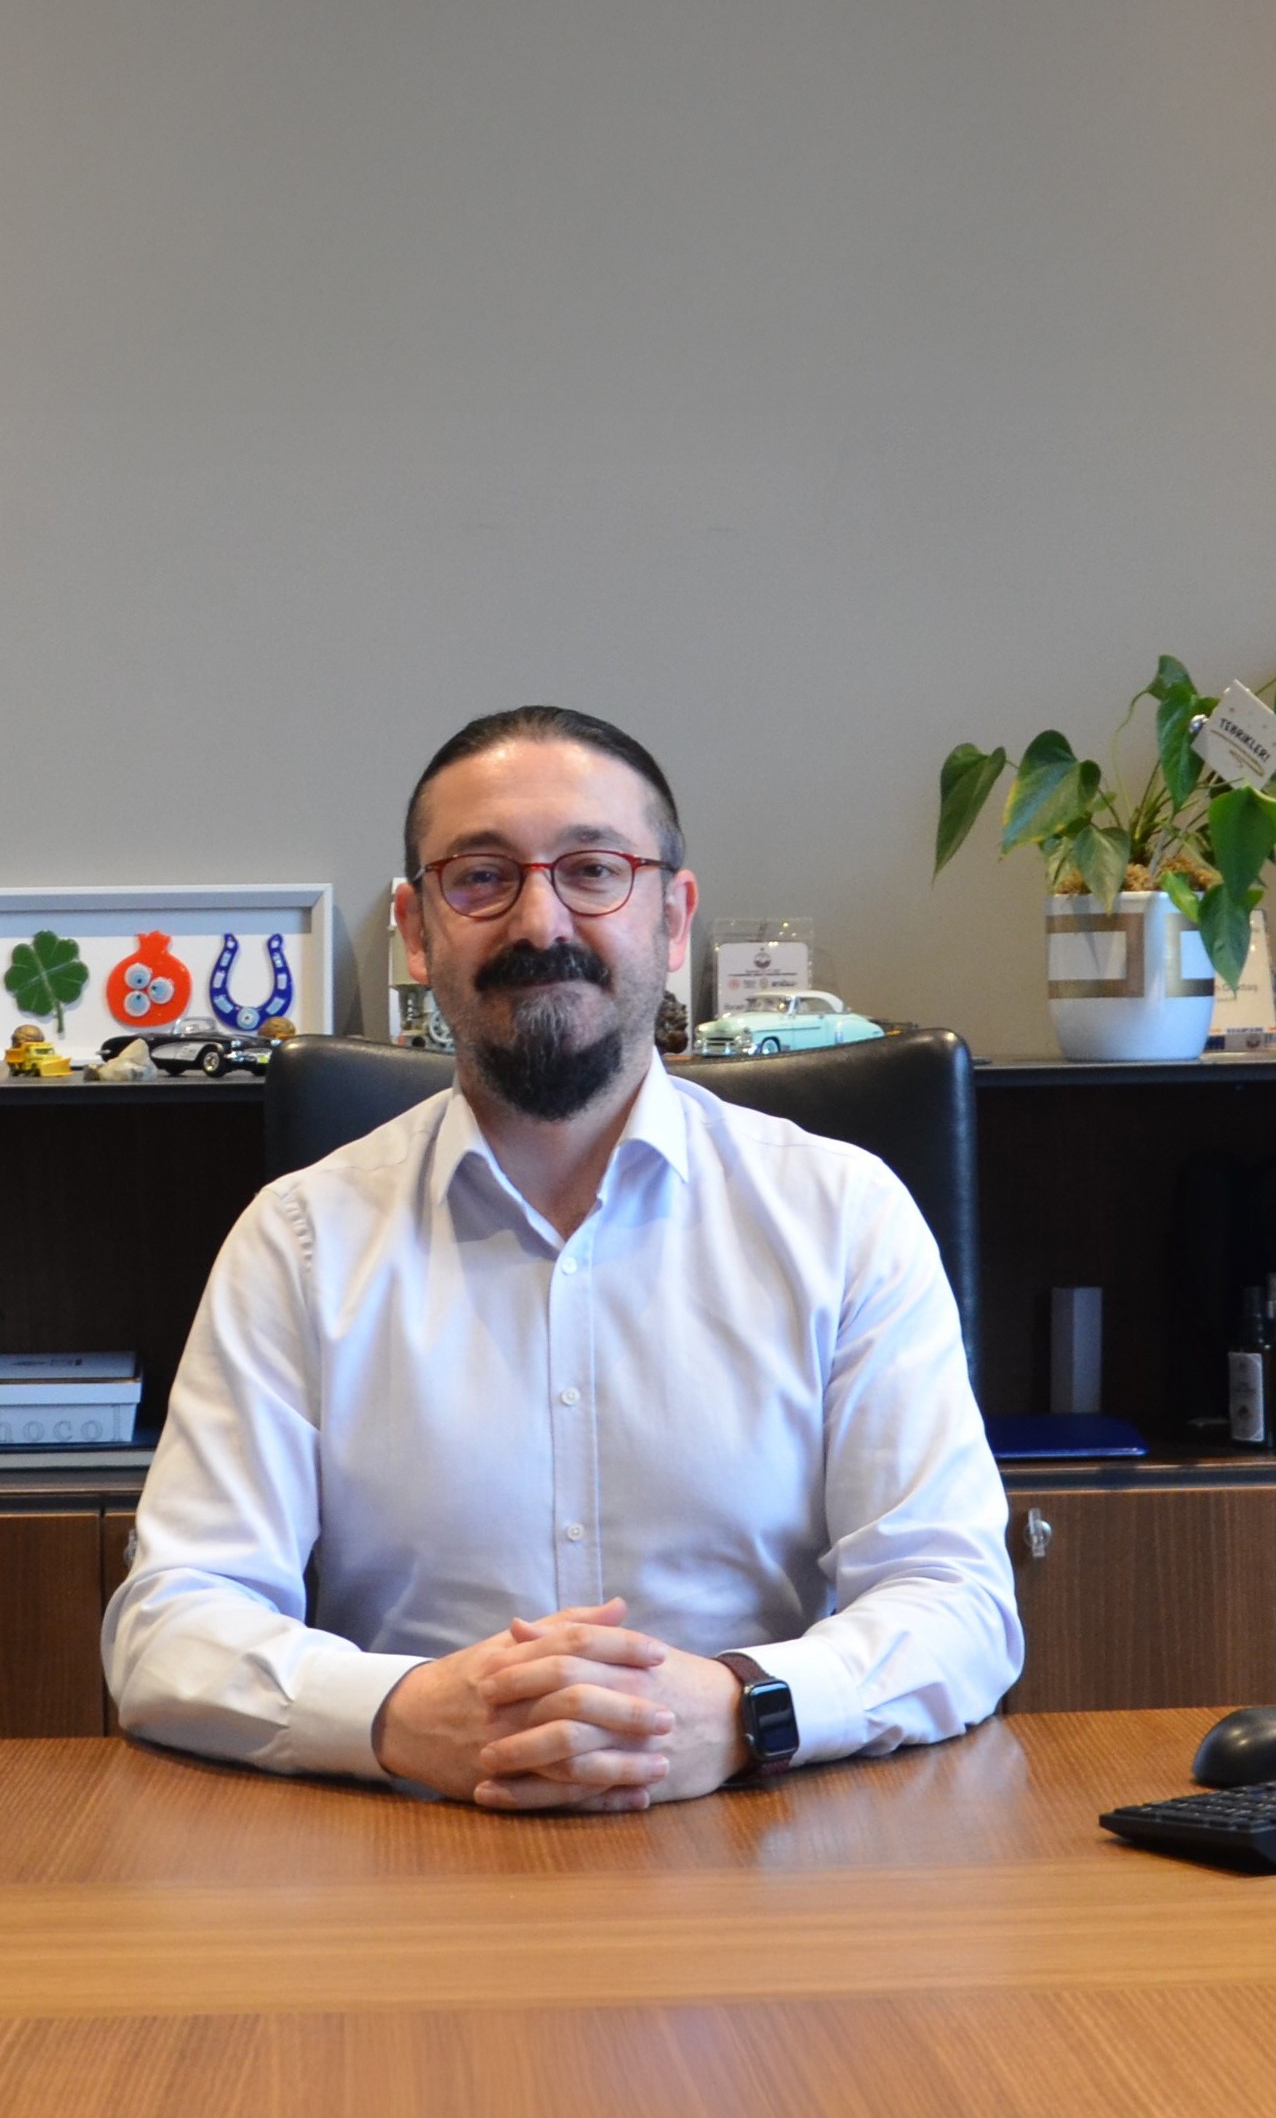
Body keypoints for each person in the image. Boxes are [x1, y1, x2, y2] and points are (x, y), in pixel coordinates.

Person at [103, 706, 1022, 1811]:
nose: (541, 922)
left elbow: (956, 1600)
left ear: (672, 917)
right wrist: (400, 1715)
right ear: (415, 929)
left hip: (760, 1843)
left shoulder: (842, 1217)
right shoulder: (298, 1240)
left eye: (594, 871)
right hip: (407, 1852)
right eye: (481, 877)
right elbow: (171, 1624)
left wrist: (743, 1709)